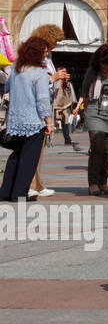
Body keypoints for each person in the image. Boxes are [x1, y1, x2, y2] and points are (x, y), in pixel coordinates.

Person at [1, 37, 55, 202]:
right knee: (29, 158)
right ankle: (19, 193)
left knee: (16, 155)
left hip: (16, 120)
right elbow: (42, 99)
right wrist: (49, 122)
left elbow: (7, 88)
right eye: (44, 53)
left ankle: (6, 191)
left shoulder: (17, 69)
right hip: (34, 121)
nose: (45, 56)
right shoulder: (39, 72)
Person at [76, 43, 108, 196]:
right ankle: (93, 183)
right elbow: (84, 92)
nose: (106, 67)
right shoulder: (92, 71)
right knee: (97, 148)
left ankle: (104, 182)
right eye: (103, 64)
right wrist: (83, 111)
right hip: (95, 111)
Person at [52, 66, 82, 152]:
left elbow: (69, 92)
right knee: (51, 123)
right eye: (62, 72)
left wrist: (66, 82)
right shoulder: (54, 80)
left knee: (65, 123)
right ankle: (47, 140)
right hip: (54, 104)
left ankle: (67, 139)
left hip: (65, 105)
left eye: (65, 72)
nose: (64, 73)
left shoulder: (67, 82)